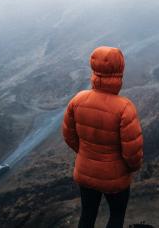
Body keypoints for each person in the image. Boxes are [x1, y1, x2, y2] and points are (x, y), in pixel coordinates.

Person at [62, 46, 143, 228]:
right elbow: (132, 152)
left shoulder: (78, 100)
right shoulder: (125, 108)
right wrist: (131, 168)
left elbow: (69, 135)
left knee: (87, 214)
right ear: (119, 70)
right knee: (116, 216)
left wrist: (85, 153)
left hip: (85, 171)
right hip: (115, 177)